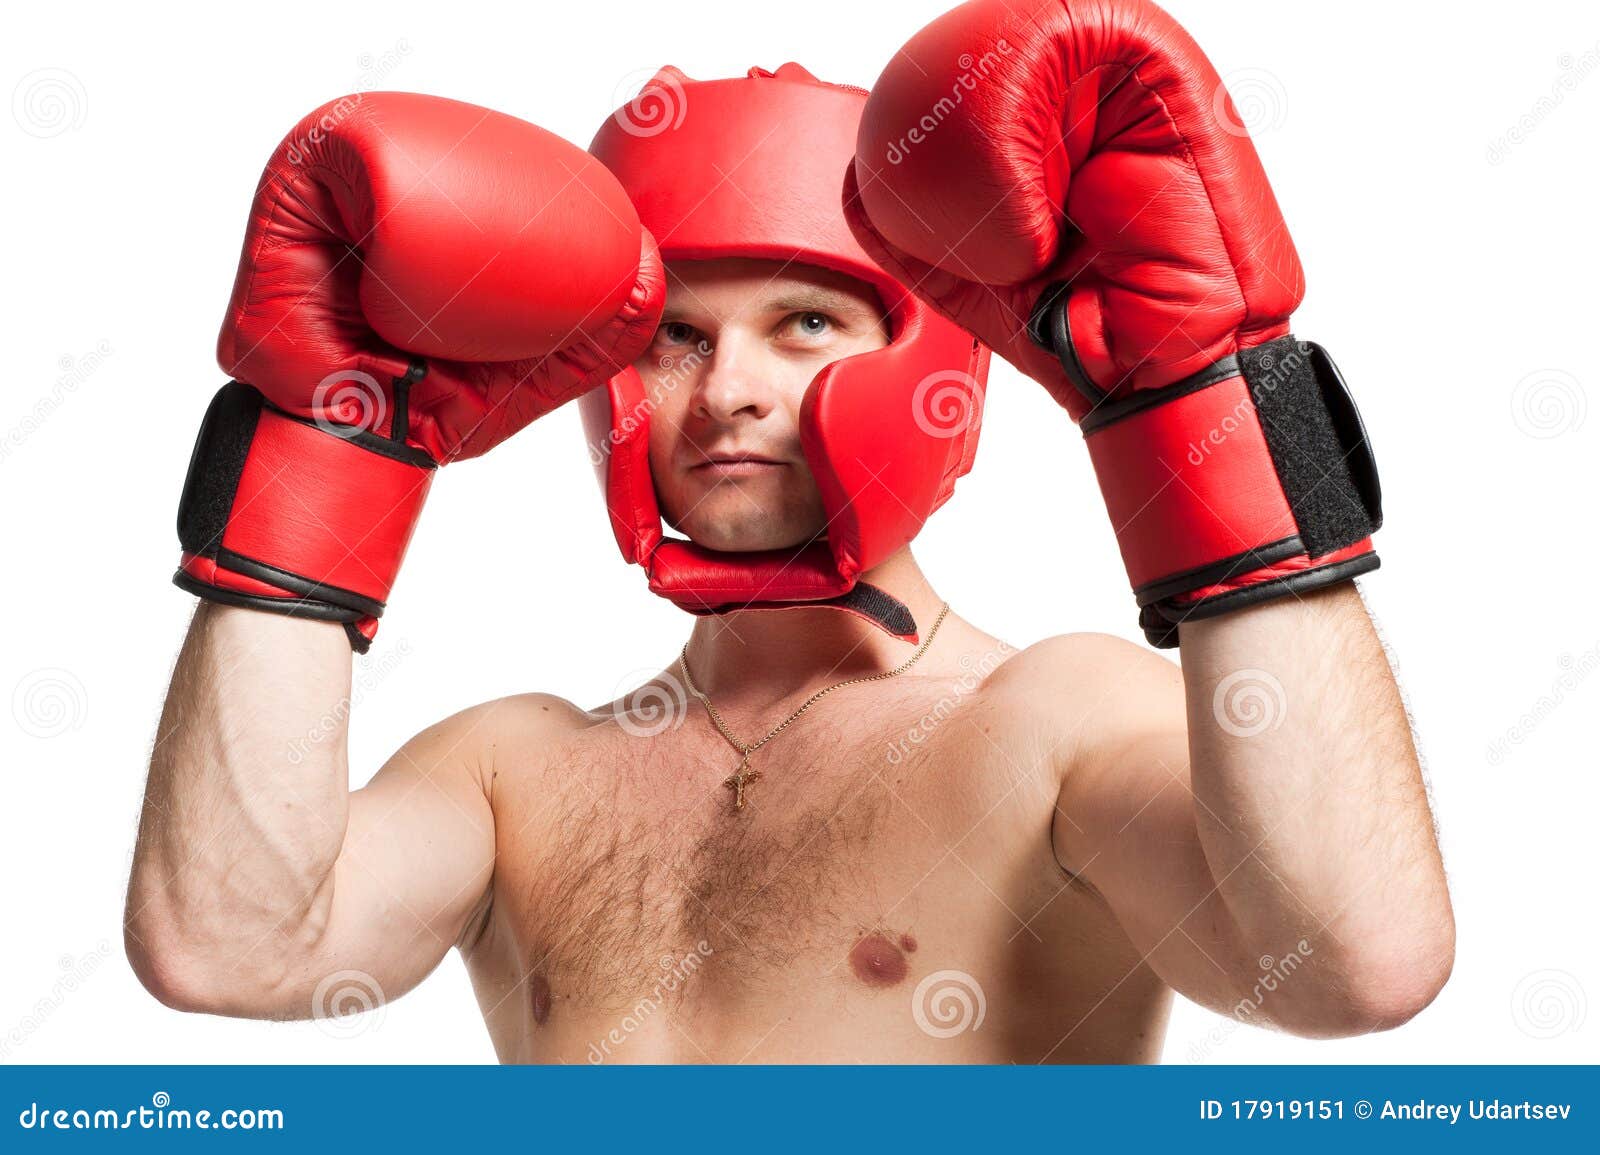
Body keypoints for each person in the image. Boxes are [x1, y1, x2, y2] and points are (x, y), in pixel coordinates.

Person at [127, 1, 1453, 1064]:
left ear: (940, 358)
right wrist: (328, 448)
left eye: (806, 324)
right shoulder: (508, 772)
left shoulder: (1054, 722)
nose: (731, 392)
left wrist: (1198, 396)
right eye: (674, 340)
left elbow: (1358, 966)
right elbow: (227, 950)